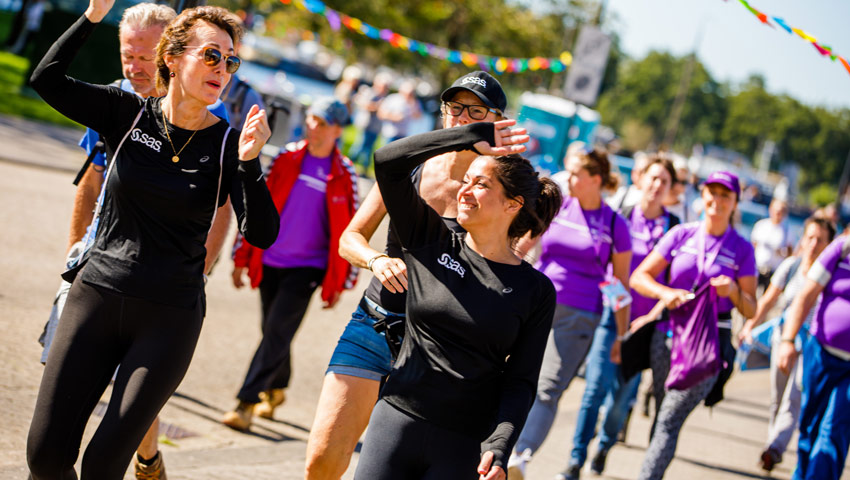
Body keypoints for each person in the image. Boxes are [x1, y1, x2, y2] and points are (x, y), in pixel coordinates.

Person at [26, 1, 280, 478]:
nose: (222, 69)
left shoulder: (227, 143)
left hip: (168, 318)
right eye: (210, 55)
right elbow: (47, 79)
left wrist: (250, 164)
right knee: (45, 456)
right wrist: (93, 15)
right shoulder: (125, 112)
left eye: (230, 60)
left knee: (103, 464)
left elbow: (262, 234)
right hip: (95, 298)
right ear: (173, 58)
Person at [305, 70, 508, 480]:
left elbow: (509, 277)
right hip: (376, 322)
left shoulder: (503, 189)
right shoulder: (409, 165)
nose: (461, 118)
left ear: (497, 119)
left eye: (475, 110)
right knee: (322, 459)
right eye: (454, 108)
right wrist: (376, 260)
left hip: (438, 348)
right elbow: (350, 238)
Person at [353, 119, 561, 480]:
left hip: (464, 446)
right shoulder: (429, 240)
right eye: (465, 181)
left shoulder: (536, 292)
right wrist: (468, 137)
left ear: (512, 205)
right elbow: (388, 162)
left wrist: (499, 446)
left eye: (480, 184)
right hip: (396, 420)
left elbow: (521, 381)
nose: (464, 191)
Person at [222, 97, 358, 431]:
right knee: (273, 332)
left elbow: (353, 227)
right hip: (270, 260)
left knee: (277, 332)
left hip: (308, 269)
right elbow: (254, 205)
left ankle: (246, 403)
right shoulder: (285, 157)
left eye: (322, 122)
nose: (313, 126)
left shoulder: (344, 174)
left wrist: (343, 280)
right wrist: (242, 256)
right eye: (311, 118)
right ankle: (277, 387)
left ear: (338, 130)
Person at [507, 147, 633, 480]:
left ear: (596, 179)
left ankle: (520, 456)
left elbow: (620, 286)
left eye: (576, 173)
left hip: (580, 315)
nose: (569, 177)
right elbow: (523, 246)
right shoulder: (558, 205)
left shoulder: (614, 224)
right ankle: (495, 444)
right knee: (511, 375)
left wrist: (621, 335)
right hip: (534, 302)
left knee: (547, 388)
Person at [630, 171, 757, 480]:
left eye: (725, 195)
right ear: (702, 197)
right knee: (663, 415)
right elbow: (639, 278)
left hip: (708, 345)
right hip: (668, 335)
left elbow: (751, 308)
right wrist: (665, 292)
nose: (717, 200)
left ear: (735, 203)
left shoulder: (742, 249)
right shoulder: (682, 235)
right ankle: (654, 470)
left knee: (670, 418)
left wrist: (735, 292)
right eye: (711, 192)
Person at [567, 156, 680, 478]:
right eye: (653, 178)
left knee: (620, 400)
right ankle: (575, 459)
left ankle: (604, 443)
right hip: (610, 315)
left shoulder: (673, 229)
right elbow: (606, 270)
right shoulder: (621, 218)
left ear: (671, 190)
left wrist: (652, 316)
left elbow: (673, 283)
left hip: (646, 326)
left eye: (665, 182)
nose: (657, 186)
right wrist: (618, 304)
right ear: (640, 179)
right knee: (593, 391)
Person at [738, 217, 835, 471]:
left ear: (829, 245)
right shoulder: (791, 266)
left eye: (820, 240)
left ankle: (774, 448)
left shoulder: (831, 275)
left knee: (794, 398)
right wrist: (750, 324)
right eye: (810, 237)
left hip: (812, 344)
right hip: (783, 338)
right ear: (802, 239)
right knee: (777, 396)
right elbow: (768, 300)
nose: (813, 244)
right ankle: (773, 443)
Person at [777, 234, 850, 480]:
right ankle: (802, 474)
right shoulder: (841, 249)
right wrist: (788, 340)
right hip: (821, 353)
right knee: (810, 425)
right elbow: (805, 296)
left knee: (835, 429)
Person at [347, 71, 390, 169]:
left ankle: (364, 168)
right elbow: (364, 105)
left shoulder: (383, 97)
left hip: (376, 127)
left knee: (369, 149)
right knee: (360, 146)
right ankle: (349, 163)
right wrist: (377, 107)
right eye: (384, 86)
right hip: (366, 124)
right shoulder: (371, 93)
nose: (385, 89)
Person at [752, 198, 794, 291]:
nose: (778, 214)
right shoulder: (761, 225)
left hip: (773, 271)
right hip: (757, 268)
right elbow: (753, 246)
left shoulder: (787, 231)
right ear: (771, 210)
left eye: (781, 212)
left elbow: (790, 254)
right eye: (776, 211)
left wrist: (782, 254)